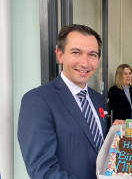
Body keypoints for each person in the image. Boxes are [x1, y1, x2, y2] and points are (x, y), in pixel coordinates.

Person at [18, 24, 108, 179]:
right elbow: (42, 171)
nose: (85, 63)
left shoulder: (98, 99)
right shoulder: (37, 101)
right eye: (76, 52)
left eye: (92, 54)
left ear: (98, 59)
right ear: (60, 55)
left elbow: (97, 147)